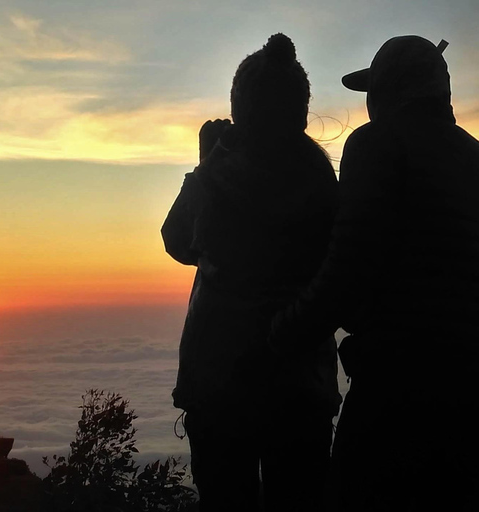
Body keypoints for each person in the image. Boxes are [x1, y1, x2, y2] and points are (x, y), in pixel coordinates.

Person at [269, 35, 479, 511]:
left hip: (402, 383)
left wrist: (282, 333)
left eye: (371, 93)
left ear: (386, 91)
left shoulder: (377, 143)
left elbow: (349, 267)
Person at [161, 33, 341, 511]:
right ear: (302, 112)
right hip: (303, 387)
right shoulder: (322, 181)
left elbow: (177, 241)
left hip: (221, 385)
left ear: (238, 109)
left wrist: (206, 163)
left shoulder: (223, 175)